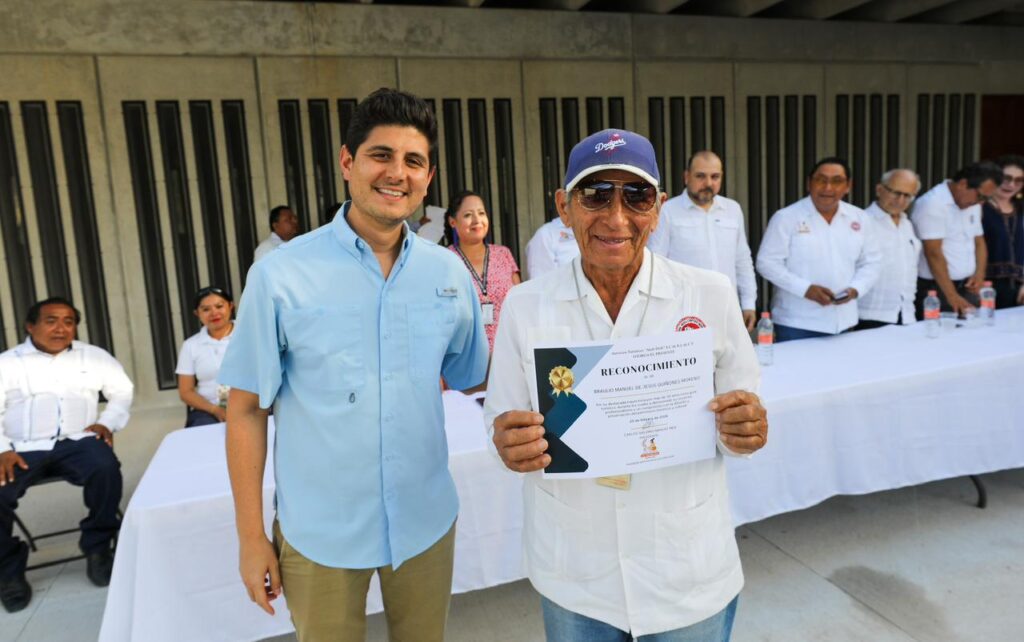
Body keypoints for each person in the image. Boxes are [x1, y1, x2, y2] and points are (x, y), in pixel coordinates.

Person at [219, 88, 489, 641]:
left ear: (428, 177)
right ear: (348, 162)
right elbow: (246, 409)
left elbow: (473, 376)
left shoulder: (447, 273)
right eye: (380, 155)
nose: (397, 173)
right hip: (320, 530)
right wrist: (250, 536)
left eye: (413, 161)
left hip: (423, 521)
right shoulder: (280, 275)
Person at [484, 129, 767, 641]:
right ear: (564, 207)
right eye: (595, 195)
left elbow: (742, 415)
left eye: (636, 196)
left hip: (686, 572)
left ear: (657, 210)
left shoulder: (709, 294)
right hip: (576, 576)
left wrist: (744, 428)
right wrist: (509, 443)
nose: (616, 218)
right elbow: (500, 419)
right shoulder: (526, 306)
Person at [0, 297, 133, 612]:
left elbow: (122, 391)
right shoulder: (8, 363)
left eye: (69, 321)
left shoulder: (94, 356)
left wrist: (107, 422)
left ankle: (98, 547)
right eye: (51, 320)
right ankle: (8, 570)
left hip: (78, 441)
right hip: (22, 447)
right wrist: (2, 449)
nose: (61, 328)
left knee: (105, 468)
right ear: (30, 326)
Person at [756, 157, 881, 342]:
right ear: (809, 183)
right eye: (821, 180)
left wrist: (856, 289)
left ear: (848, 186)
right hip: (796, 323)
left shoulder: (860, 218)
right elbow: (766, 263)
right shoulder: (786, 218)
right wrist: (805, 289)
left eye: (837, 181)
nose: (828, 187)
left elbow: (872, 262)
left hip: (844, 321)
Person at [647, 150, 758, 331]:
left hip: (727, 308)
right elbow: (655, 262)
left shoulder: (733, 210)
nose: (708, 183)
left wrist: (749, 304)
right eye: (700, 176)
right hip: (684, 312)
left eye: (715, 177)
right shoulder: (667, 211)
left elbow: (742, 260)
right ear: (686, 177)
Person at [912, 161, 1002, 317]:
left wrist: (979, 274)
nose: (981, 203)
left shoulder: (973, 203)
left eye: (986, 199)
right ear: (963, 184)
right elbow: (933, 253)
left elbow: (979, 241)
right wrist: (951, 295)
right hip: (937, 290)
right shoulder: (932, 204)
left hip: (966, 286)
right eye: (980, 196)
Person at [444, 190, 521, 351]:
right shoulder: (445, 260)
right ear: (453, 222)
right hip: (464, 354)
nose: (477, 220)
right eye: (468, 215)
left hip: (508, 350)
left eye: (481, 213)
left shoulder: (503, 254)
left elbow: (520, 302)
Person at [856, 169, 923, 329]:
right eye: (896, 193)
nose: (900, 201)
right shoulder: (861, 222)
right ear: (879, 189)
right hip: (868, 316)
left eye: (907, 196)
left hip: (906, 314)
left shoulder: (907, 224)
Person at [176, 286, 235, 427]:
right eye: (206, 309)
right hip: (209, 409)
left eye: (219, 306)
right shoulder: (190, 345)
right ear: (197, 313)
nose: (214, 313)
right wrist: (215, 410)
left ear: (230, 306)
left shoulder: (249, 334)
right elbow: (186, 391)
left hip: (252, 403)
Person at [981, 154, 1024, 309]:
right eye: (1007, 178)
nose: (1011, 184)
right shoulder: (979, 206)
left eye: (1018, 180)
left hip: (1019, 290)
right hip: (984, 288)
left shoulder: (1021, 209)